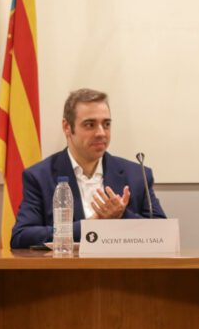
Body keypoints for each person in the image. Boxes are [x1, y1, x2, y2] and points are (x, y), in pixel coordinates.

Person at [10, 88, 166, 249]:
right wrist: (89, 226)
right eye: (90, 125)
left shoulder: (137, 175)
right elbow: (21, 236)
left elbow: (163, 233)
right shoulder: (39, 176)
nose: (101, 133)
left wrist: (122, 215)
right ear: (67, 127)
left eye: (106, 124)